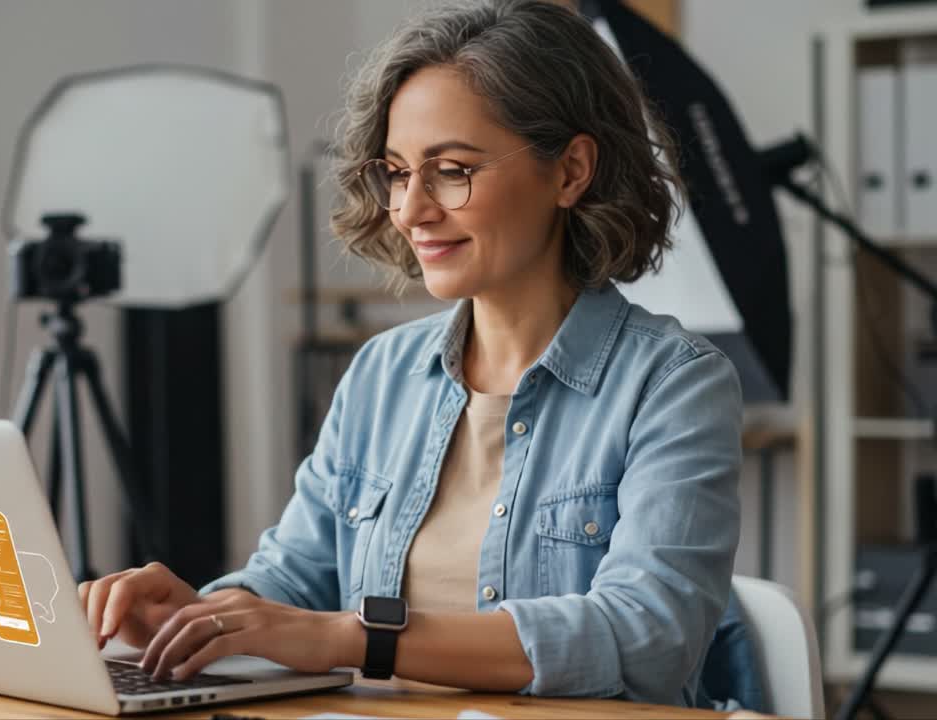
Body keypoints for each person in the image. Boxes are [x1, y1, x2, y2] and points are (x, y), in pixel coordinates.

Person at [80, 0, 747, 708]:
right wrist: (199, 616)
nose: (410, 209)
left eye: (452, 170)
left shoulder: (674, 385)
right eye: (398, 173)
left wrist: (358, 638)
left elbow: (644, 637)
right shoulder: (381, 374)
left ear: (571, 171)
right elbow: (296, 582)